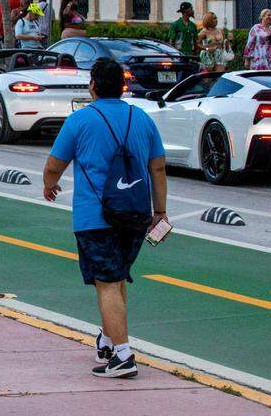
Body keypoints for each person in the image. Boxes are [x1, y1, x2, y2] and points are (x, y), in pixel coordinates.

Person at [42, 58, 166, 379]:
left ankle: (123, 355)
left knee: (107, 283)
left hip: (95, 219)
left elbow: (55, 164)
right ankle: (109, 342)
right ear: (123, 87)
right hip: (137, 215)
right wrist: (160, 211)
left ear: (93, 86)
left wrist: (49, 185)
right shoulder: (141, 119)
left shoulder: (80, 120)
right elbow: (158, 168)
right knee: (117, 278)